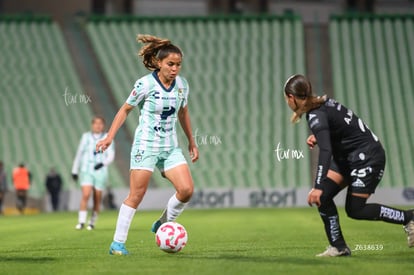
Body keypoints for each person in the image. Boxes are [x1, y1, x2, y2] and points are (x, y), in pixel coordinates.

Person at [283, 74, 414, 257]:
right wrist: (321, 137)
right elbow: (343, 127)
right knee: (325, 198)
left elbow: (326, 151)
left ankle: (409, 217)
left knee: (355, 209)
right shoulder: (323, 104)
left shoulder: (315, 115)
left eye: (286, 99)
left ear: (291, 97)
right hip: (349, 157)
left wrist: (318, 186)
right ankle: (339, 247)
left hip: (367, 158)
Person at [96, 34, 199, 255]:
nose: (175, 69)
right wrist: (109, 137)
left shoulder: (182, 85)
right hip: (146, 146)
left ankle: (163, 222)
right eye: (170, 64)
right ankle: (117, 243)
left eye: (178, 65)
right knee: (136, 195)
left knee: (186, 190)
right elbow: (125, 110)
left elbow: (183, 113)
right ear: (159, 63)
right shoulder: (144, 84)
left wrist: (192, 140)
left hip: (170, 147)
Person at [72, 116, 115, 230]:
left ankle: (92, 221)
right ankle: (81, 221)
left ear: (103, 125)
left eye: (100, 123)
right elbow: (79, 153)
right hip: (86, 169)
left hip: (100, 171)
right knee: (86, 194)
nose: (98, 125)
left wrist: (103, 163)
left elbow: (111, 155)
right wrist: (75, 170)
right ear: (92, 125)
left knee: (97, 197)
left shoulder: (107, 137)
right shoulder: (86, 137)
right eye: (96, 123)